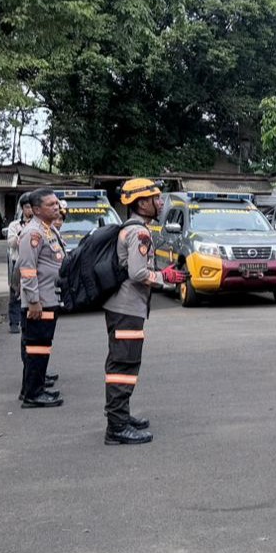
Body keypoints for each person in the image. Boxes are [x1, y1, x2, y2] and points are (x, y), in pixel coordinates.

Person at [101, 178, 187, 445]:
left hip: (123, 307)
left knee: (124, 362)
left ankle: (121, 417)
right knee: (123, 365)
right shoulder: (140, 233)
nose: (160, 203)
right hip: (127, 309)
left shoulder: (132, 229)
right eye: (156, 198)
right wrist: (165, 277)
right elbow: (137, 273)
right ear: (141, 203)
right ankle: (117, 427)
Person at [16, 189, 64, 408]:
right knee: (36, 348)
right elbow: (27, 270)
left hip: (49, 298)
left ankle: (33, 389)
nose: (56, 207)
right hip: (39, 302)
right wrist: (33, 301)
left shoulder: (48, 229)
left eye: (56, 203)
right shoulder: (33, 233)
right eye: (50, 204)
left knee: (42, 347)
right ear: (36, 209)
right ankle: (33, 395)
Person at [5, 195, 34, 334]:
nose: (30, 210)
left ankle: (28, 321)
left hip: (33, 263)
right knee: (15, 292)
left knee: (31, 292)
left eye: (32, 207)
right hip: (17, 262)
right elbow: (11, 243)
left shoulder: (38, 225)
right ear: (22, 208)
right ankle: (14, 322)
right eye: (27, 207)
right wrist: (22, 232)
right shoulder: (14, 225)